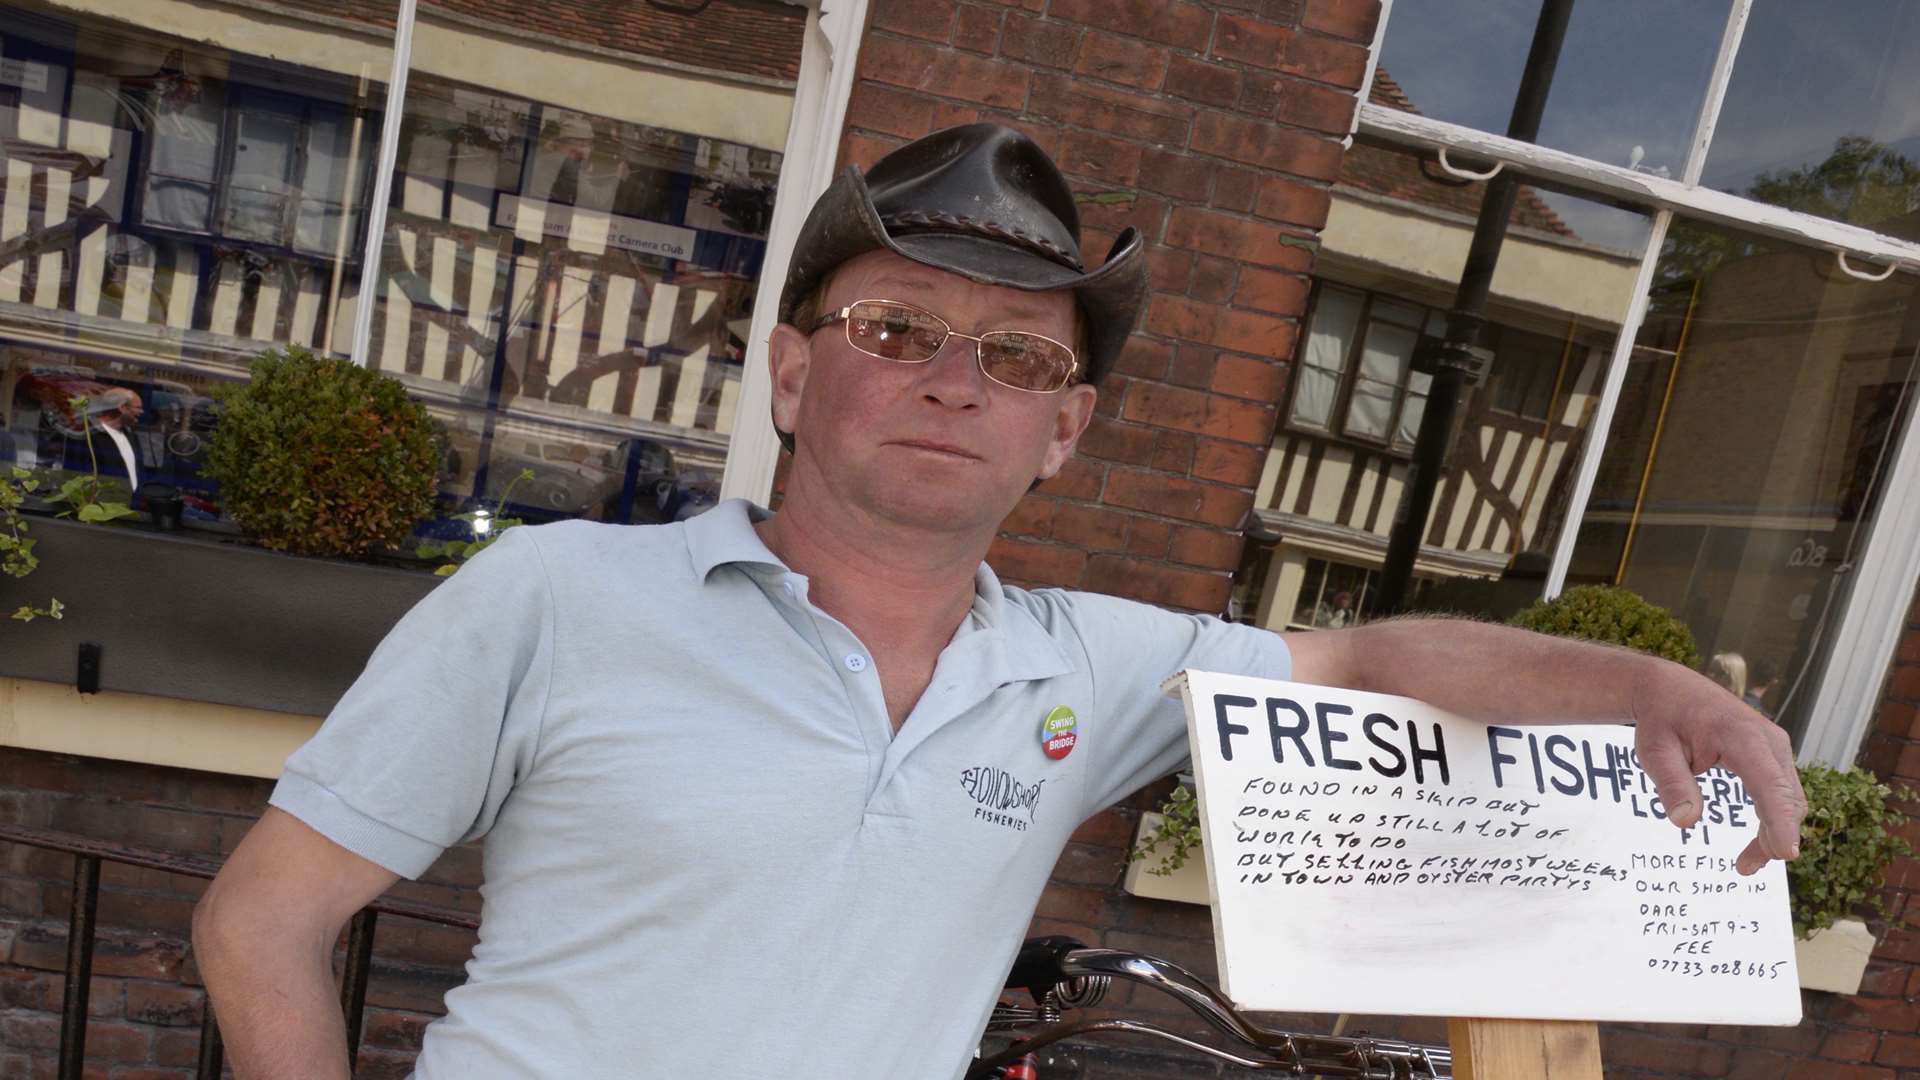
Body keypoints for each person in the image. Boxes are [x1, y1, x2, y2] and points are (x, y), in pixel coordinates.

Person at [192, 124, 1806, 1080]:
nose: (957, 381)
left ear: (1066, 431)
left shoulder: (1092, 670)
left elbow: (1376, 652)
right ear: (794, 367)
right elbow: (264, 922)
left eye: (1021, 356)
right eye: (899, 331)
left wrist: (1653, 691)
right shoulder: (557, 594)